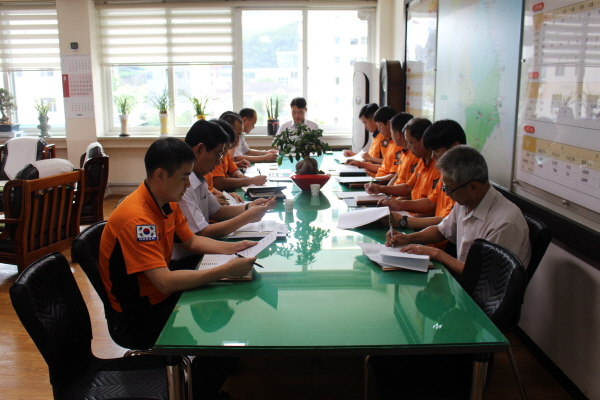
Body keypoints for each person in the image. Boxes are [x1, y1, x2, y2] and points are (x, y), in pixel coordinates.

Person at [99, 137, 257, 399]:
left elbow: (191, 241)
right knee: (226, 330)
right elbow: (164, 282)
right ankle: (199, 392)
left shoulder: (166, 202)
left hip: (161, 297)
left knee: (227, 308)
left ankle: (202, 385)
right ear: (161, 175)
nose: (188, 184)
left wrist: (234, 247)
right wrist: (224, 270)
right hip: (139, 316)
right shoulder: (138, 219)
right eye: (184, 177)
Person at [386, 145, 532, 276]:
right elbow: (442, 231)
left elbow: (481, 276)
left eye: (449, 189)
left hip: (479, 292)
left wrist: (437, 254)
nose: (447, 194)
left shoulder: (504, 224)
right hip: (463, 278)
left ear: (473, 187)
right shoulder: (466, 201)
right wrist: (408, 238)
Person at [171, 119, 276, 269]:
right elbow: (202, 234)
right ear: (199, 149)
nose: (219, 163)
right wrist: (247, 217)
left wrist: (249, 207)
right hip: (185, 261)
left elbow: (216, 211)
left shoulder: (198, 177)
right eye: (218, 155)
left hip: (199, 253)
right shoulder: (182, 185)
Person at [389, 119, 467, 231]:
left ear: (455, 147)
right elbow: (431, 203)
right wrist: (399, 205)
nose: (433, 157)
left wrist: (404, 221)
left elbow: (447, 222)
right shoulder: (446, 172)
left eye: (437, 152)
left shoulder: (462, 181)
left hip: (441, 236)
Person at [366, 117, 438, 216]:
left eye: (411, 142)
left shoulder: (437, 168)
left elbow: (431, 206)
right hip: (408, 213)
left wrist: (404, 219)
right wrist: (381, 189)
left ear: (423, 141)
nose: (408, 146)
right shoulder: (422, 161)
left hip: (415, 217)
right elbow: (408, 187)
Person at [211, 116, 268, 192]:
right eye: (236, 136)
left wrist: (248, 179)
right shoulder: (216, 153)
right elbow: (219, 183)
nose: (238, 140)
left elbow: (234, 171)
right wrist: (251, 181)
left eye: (239, 136)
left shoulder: (225, 152)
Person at [348, 106, 398, 176]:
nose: (365, 127)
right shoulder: (378, 137)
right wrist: (355, 156)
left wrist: (365, 163)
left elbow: (385, 165)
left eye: (365, 123)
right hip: (375, 175)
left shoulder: (384, 138)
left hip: (377, 176)